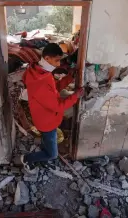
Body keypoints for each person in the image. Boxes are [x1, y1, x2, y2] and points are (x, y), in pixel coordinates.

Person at [20, 43, 84, 173]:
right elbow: (57, 106)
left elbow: (54, 90)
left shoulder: (39, 72)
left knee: (47, 143)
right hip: (46, 122)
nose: (59, 64)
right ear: (47, 58)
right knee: (52, 154)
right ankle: (27, 159)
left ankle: (43, 154)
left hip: (42, 116)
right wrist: (75, 96)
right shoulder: (40, 81)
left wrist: (69, 78)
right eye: (57, 60)